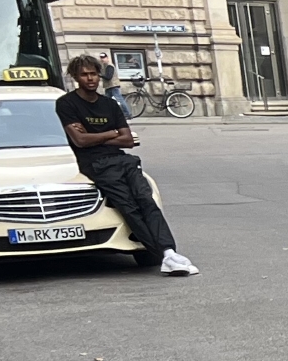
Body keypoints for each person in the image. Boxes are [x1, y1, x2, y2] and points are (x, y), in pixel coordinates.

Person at [55, 55, 194, 274]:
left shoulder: (109, 104)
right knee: (128, 207)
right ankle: (164, 255)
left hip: (123, 160)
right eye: (84, 74)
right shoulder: (66, 103)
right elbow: (79, 141)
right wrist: (111, 133)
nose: (90, 78)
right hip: (96, 164)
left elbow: (128, 140)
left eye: (93, 73)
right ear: (75, 77)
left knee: (146, 201)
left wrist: (96, 135)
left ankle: (169, 252)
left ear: (99, 75)